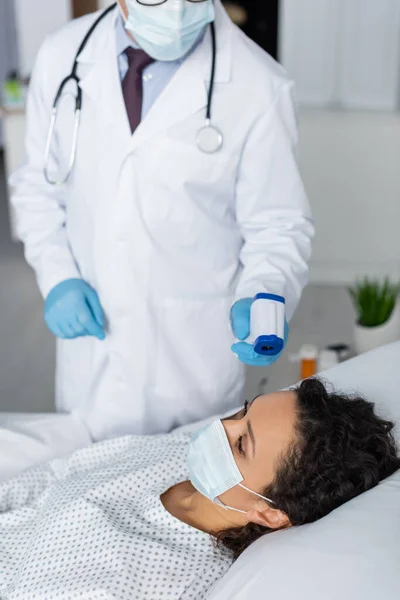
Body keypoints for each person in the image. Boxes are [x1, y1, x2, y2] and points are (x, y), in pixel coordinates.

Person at [11, 0, 313, 441]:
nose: (174, 7)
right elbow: (37, 187)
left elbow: (279, 225)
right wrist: (58, 278)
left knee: (190, 489)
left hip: (191, 359)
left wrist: (265, 293)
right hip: (92, 356)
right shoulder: (62, 54)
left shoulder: (259, 85)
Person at [0, 379, 398, 599]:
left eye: (242, 444)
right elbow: (62, 471)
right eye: (242, 413)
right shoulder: (174, 455)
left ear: (270, 512)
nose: (221, 428)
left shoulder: (168, 578)